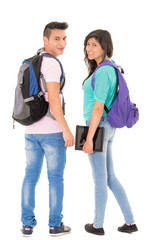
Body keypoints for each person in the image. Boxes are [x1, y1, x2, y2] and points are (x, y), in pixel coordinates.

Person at [82, 29, 138, 235]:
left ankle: (97, 225)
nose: (89, 48)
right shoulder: (108, 68)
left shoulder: (104, 70)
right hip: (106, 127)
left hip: (98, 126)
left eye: (94, 44)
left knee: (100, 178)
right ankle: (130, 222)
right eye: (88, 44)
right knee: (109, 177)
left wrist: (89, 138)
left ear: (105, 46)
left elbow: (98, 107)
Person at [21, 22, 74, 237]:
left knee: (30, 177)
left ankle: (26, 224)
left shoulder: (32, 62)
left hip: (30, 130)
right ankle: (54, 225)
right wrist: (66, 130)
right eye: (57, 39)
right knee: (55, 179)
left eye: (64, 38)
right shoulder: (52, 64)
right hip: (52, 132)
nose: (62, 43)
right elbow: (53, 100)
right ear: (45, 40)